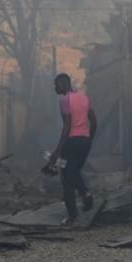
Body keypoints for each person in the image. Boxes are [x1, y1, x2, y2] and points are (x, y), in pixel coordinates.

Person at [44, 73, 97, 224]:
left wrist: (56, 152)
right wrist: (88, 140)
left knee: (67, 179)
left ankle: (74, 215)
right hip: (84, 142)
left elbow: (67, 127)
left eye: (56, 84)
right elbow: (94, 122)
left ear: (63, 83)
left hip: (71, 142)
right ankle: (85, 195)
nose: (55, 88)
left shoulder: (64, 100)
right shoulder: (85, 98)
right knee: (73, 172)